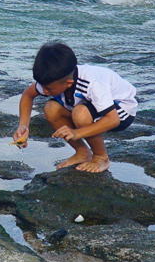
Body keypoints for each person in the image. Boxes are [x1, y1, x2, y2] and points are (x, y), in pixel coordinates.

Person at [13, 41, 137, 173]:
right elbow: (28, 95)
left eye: (48, 88)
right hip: (90, 106)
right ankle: (82, 152)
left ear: (68, 83)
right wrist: (23, 126)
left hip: (121, 110)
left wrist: (77, 133)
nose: (44, 91)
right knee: (51, 108)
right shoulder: (52, 81)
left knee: (80, 114)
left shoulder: (93, 83)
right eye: (42, 86)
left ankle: (101, 157)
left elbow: (113, 120)